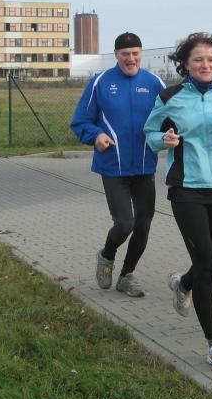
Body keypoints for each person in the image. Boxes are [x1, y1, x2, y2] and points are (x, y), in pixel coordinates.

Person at [144, 32, 212, 370]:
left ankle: (183, 283)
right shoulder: (170, 97)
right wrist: (163, 139)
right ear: (186, 64)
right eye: (198, 60)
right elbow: (149, 134)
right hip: (186, 189)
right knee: (206, 264)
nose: (205, 65)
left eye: (210, 59)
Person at [71, 32, 166, 297]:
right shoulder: (100, 82)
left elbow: (172, 117)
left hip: (144, 166)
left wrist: (170, 135)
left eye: (135, 54)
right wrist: (96, 135)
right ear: (116, 55)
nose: (130, 59)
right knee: (125, 224)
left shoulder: (155, 83)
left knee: (144, 224)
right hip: (113, 166)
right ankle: (107, 254)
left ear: (141, 54)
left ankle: (127, 276)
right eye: (125, 54)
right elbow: (80, 121)